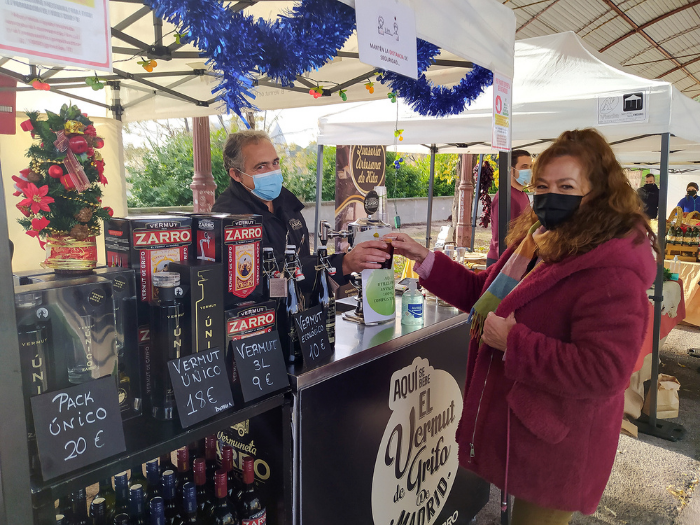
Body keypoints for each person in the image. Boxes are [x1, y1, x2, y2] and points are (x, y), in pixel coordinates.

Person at [387, 129, 657, 525]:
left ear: (599, 192)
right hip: (524, 429)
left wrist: (514, 342)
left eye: (566, 186)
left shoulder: (612, 268)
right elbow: (486, 296)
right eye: (543, 185)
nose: (550, 196)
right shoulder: (538, 241)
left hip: (560, 444)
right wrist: (425, 258)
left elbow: (606, 372)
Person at [211, 130, 390, 292]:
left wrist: (334, 266)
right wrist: (342, 263)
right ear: (236, 174)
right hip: (264, 319)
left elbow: (301, 258)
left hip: (302, 313)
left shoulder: (286, 202)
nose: (273, 171)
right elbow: (266, 275)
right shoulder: (230, 217)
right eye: (261, 166)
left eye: (275, 163)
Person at [487, 150, 532, 267]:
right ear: (511, 170)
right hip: (502, 261)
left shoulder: (523, 195)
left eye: (530, 166)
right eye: (524, 167)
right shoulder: (505, 197)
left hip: (517, 259)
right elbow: (501, 237)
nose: (529, 171)